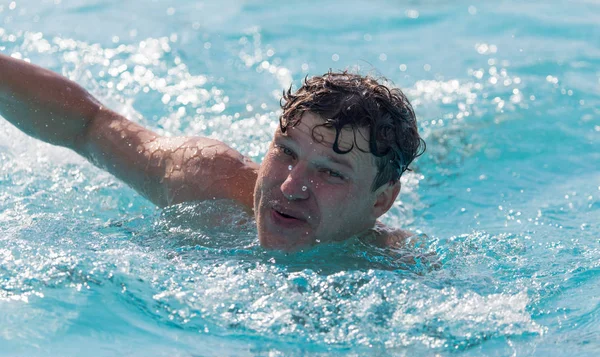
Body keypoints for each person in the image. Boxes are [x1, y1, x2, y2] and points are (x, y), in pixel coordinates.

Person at [0, 53, 425, 252]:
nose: (291, 186)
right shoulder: (204, 180)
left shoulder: (395, 266)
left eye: (330, 172)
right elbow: (90, 124)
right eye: (286, 152)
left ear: (381, 201)